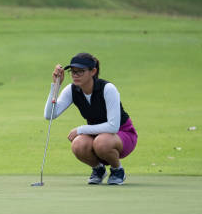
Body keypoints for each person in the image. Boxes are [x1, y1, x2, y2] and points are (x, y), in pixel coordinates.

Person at [43, 53, 138, 185]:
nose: (75, 75)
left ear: (93, 71)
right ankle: (98, 169)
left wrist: (81, 129)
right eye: (73, 71)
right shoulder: (72, 90)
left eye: (80, 71)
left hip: (122, 134)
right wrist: (56, 85)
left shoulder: (107, 88)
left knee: (101, 142)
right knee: (78, 145)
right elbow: (50, 115)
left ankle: (117, 170)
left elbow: (113, 126)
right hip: (97, 134)